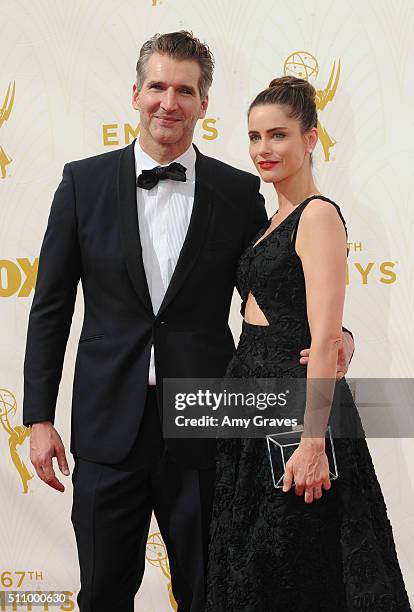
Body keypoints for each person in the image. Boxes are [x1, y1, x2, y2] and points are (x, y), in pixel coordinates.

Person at [22, 33, 354, 612]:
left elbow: (275, 287)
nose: (168, 103)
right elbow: (50, 306)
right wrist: (39, 417)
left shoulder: (238, 192)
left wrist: (339, 337)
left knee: (209, 593)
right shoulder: (83, 183)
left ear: (203, 103)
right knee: (101, 591)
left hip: (205, 424)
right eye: (157, 87)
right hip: (105, 428)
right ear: (135, 93)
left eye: (185, 90)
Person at [205, 76, 411, 611]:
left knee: (297, 563)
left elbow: (322, 340)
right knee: (255, 562)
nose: (263, 149)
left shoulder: (318, 215)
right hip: (251, 402)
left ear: (311, 138)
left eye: (277, 135)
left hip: (296, 413)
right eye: (253, 137)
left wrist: (313, 442)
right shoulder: (269, 218)